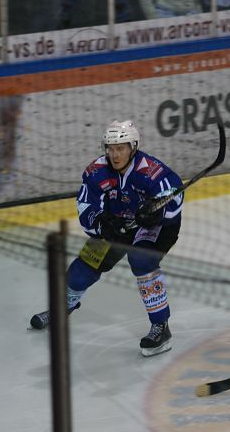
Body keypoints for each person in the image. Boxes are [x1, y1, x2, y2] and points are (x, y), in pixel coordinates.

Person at [30, 120, 183, 357]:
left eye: (120, 148)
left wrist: (156, 211)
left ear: (133, 147)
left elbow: (174, 197)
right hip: (118, 227)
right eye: (110, 148)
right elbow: (85, 205)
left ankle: (161, 328)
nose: (115, 154)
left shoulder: (150, 170)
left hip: (156, 227)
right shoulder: (96, 171)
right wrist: (101, 222)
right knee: (82, 269)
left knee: (141, 260)